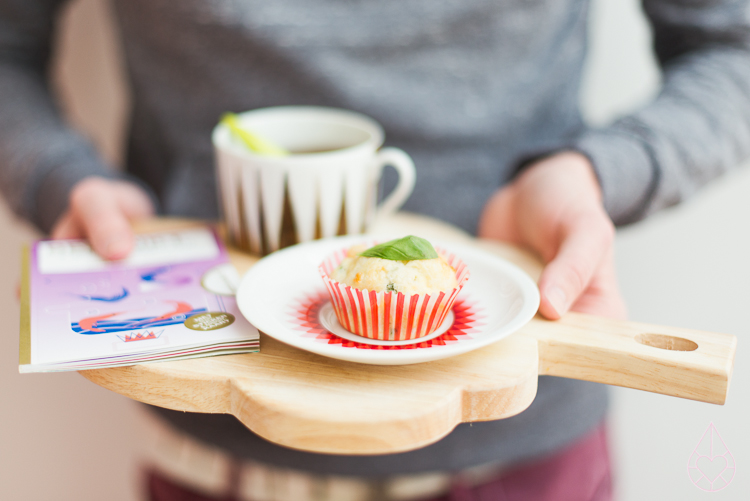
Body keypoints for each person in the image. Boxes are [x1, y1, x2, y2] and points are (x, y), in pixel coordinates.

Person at [2, 1, 749, 499]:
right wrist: (62, 178)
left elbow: (732, 48)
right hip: (212, 449)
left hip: (522, 449)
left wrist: (595, 173)